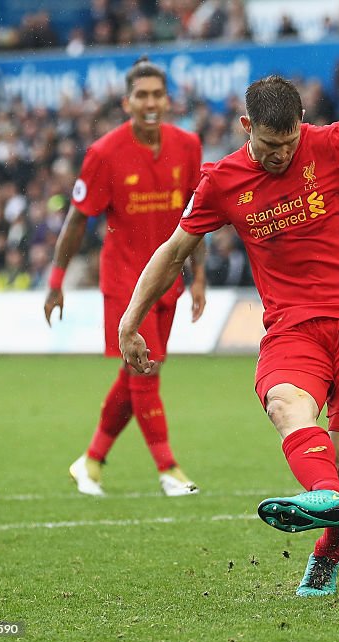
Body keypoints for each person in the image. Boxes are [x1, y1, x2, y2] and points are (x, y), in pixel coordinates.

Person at [118, 74, 339, 597]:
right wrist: (131, 321)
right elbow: (173, 251)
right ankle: (321, 496)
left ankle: (325, 553)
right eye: (269, 145)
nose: (281, 155)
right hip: (293, 325)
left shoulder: (332, 144)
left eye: (289, 143)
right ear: (247, 127)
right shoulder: (222, 181)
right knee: (285, 403)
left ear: (302, 128)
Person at [44, 58, 206, 498]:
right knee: (146, 371)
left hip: (169, 281)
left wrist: (199, 277)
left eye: (157, 94)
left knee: (133, 373)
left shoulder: (188, 145)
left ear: (167, 99)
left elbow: (198, 213)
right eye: (142, 95)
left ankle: (91, 461)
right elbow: (78, 221)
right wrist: (56, 279)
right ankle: (169, 470)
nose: (150, 102)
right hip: (124, 283)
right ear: (127, 102)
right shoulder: (103, 154)